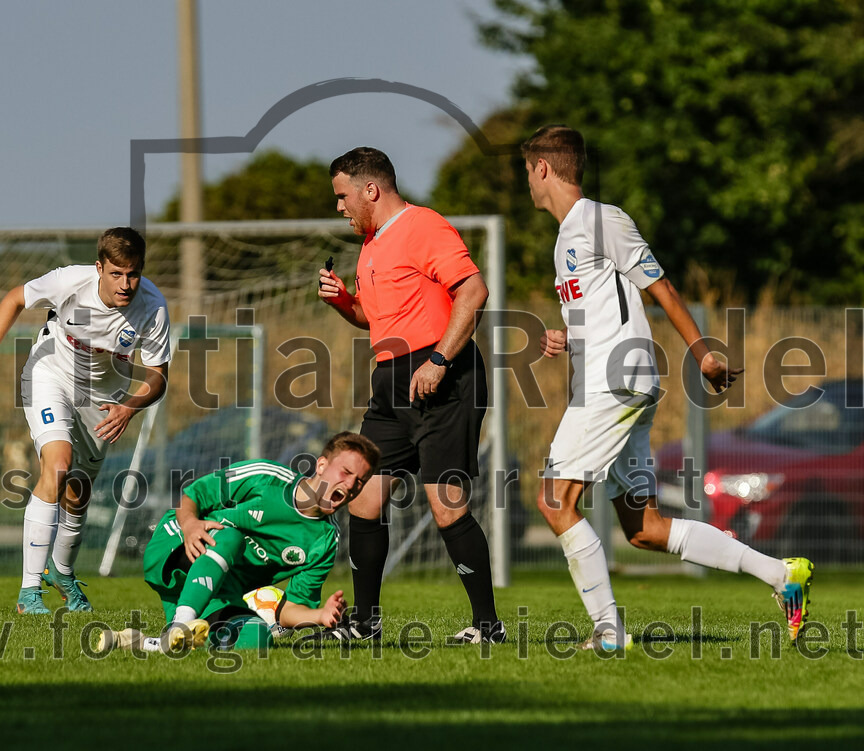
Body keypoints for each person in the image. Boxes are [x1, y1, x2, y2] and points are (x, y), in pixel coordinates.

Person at [523, 125, 813, 649]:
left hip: (613, 382)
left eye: (526, 169)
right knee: (644, 528)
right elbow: (610, 308)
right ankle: (781, 574)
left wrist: (702, 353)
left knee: (553, 500)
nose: (527, 180)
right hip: (612, 378)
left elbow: (661, 287)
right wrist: (570, 337)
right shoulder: (567, 235)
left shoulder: (598, 219)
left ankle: (608, 633)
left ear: (542, 168)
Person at [317, 147, 504, 644]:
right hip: (390, 382)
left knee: (446, 506)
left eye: (342, 196)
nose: (340, 207)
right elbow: (373, 321)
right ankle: (365, 624)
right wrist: (344, 301)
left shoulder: (423, 225)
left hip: (444, 377)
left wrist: (440, 359)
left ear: (370, 190)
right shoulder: (372, 245)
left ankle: (488, 626)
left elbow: (474, 291)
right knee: (363, 499)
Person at [0, 227, 171, 615]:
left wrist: (130, 407)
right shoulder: (71, 281)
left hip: (104, 399)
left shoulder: (153, 307)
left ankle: (64, 572)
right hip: (49, 376)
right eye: (116, 273)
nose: (126, 284)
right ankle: (28, 592)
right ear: (99, 268)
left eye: (134, 273)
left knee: (78, 492)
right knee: (57, 467)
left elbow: (158, 375)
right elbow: (14, 299)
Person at [98, 432, 380, 655]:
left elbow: (289, 610)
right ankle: (180, 624)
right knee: (231, 537)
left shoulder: (325, 541)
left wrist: (320, 615)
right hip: (176, 546)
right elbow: (195, 493)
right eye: (346, 472)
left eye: (360, 481)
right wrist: (190, 525)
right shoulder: (267, 477)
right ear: (321, 465)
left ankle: (149, 642)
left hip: (215, 590)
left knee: (256, 638)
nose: (352, 484)